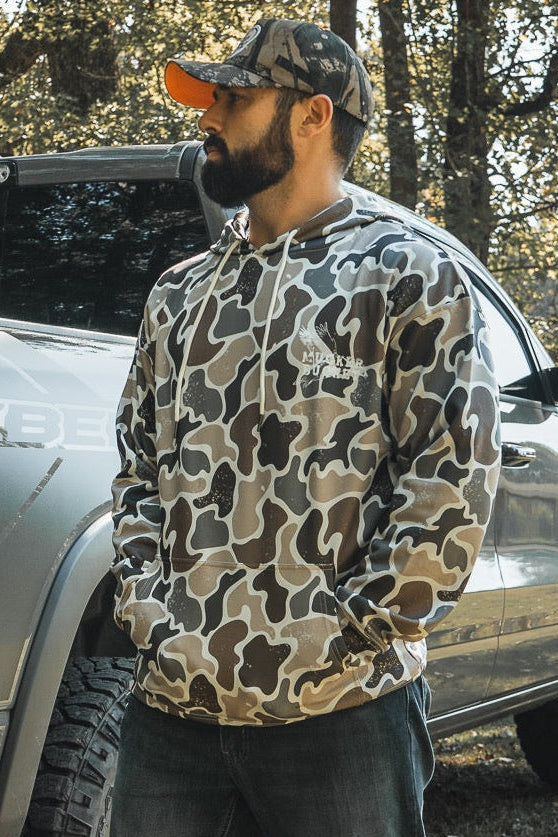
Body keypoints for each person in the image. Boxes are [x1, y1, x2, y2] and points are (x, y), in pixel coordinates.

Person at [110, 17, 501, 837]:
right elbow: (137, 469)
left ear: (313, 116)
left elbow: (451, 478)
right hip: (172, 715)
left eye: (236, 99)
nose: (209, 118)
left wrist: (351, 629)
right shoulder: (180, 294)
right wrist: (149, 608)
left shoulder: (407, 272)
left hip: (342, 715)